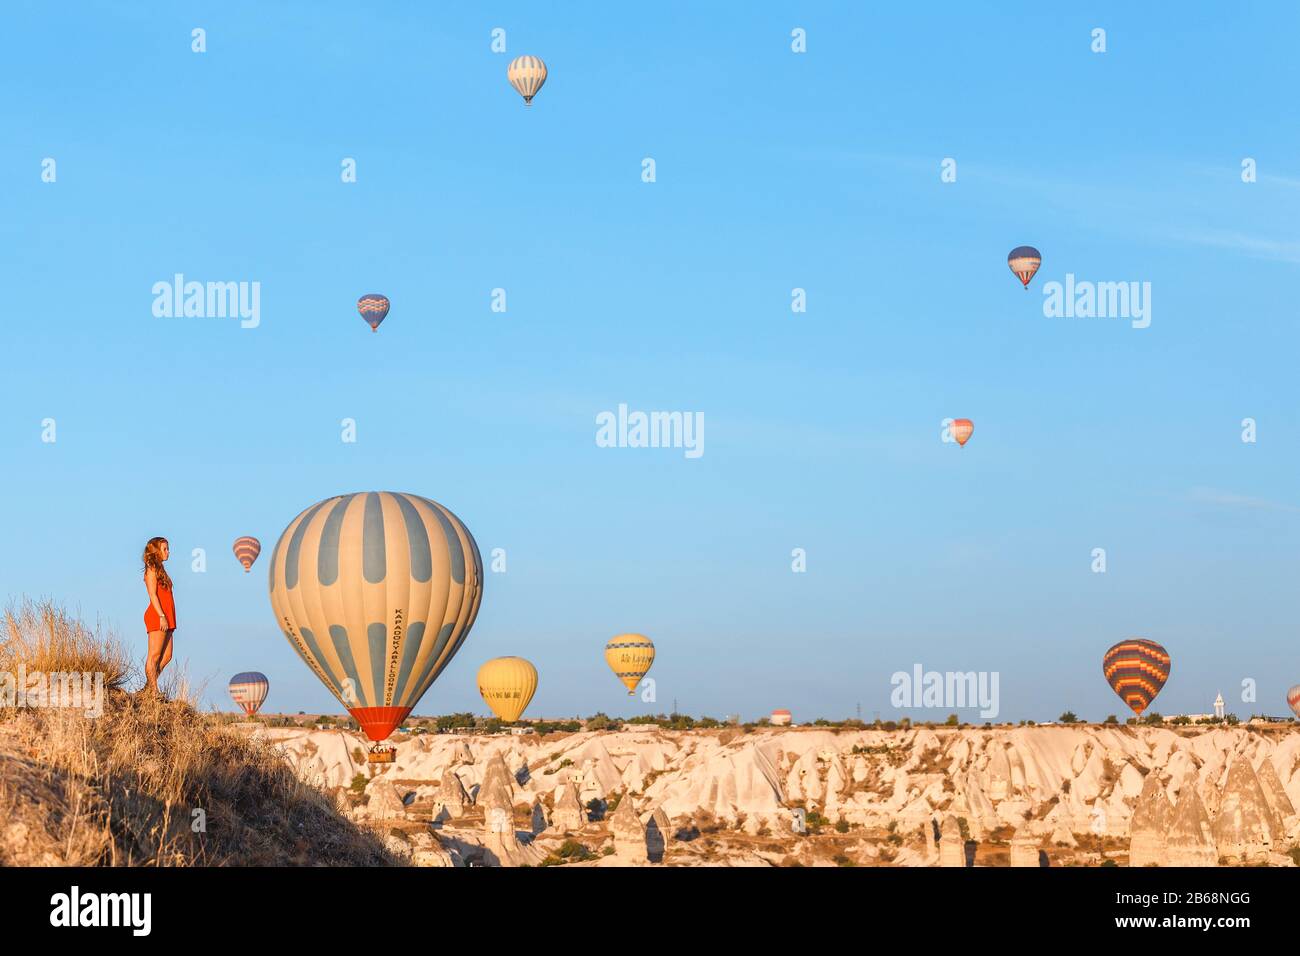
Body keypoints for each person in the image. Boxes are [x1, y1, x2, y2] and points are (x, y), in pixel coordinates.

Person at [142, 536, 177, 695]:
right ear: (156, 551)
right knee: (154, 655)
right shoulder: (151, 569)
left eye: (168, 548)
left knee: (167, 656)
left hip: (168, 616)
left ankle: (149, 686)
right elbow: (152, 595)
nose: (168, 552)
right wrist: (162, 615)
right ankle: (153, 690)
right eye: (165, 549)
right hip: (158, 615)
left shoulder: (162, 569)